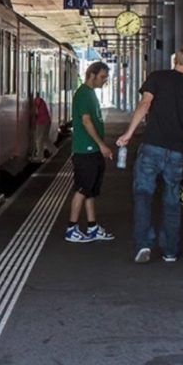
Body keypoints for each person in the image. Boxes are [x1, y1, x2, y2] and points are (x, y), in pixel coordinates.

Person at [117, 45, 183, 264]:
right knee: (171, 199)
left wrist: (129, 133)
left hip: (152, 146)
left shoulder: (157, 78)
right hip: (176, 152)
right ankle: (170, 251)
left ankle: (143, 245)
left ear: (174, 60)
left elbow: (144, 104)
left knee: (143, 195)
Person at [66, 62, 114, 243]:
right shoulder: (83, 94)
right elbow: (86, 121)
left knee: (90, 190)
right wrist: (101, 145)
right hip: (84, 150)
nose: (104, 80)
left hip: (92, 150)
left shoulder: (91, 93)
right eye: (102, 77)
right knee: (81, 189)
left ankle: (92, 227)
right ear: (92, 75)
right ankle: (71, 228)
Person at [31, 91, 52, 161]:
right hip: (47, 121)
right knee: (45, 138)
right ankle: (55, 151)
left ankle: (40, 157)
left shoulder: (35, 103)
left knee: (38, 139)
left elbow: (36, 113)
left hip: (41, 122)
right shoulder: (41, 101)